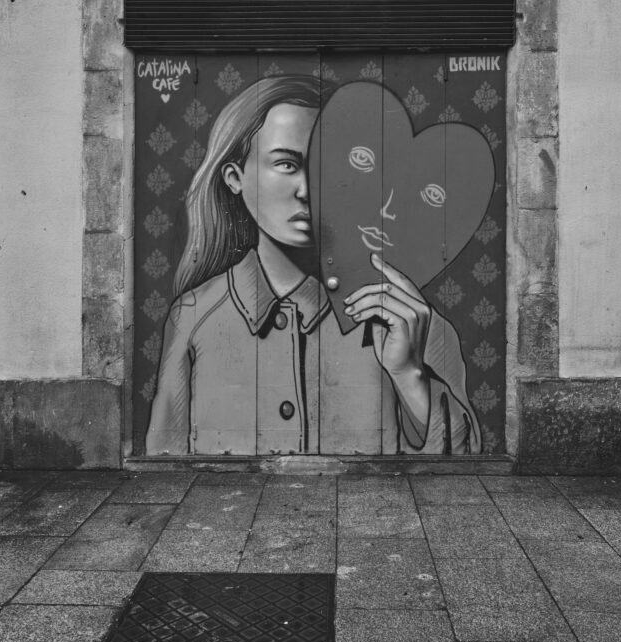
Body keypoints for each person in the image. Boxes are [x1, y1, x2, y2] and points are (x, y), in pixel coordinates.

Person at [145, 74, 481, 456]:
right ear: (235, 178)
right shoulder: (193, 316)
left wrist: (409, 374)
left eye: (327, 166)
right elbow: (163, 464)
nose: (308, 189)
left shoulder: (412, 322)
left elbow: (461, 467)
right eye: (287, 164)